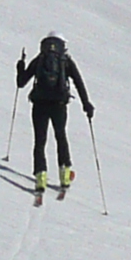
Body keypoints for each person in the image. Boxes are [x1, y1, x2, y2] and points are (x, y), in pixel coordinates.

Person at [15, 32, 93, 195]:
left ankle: (40, 177)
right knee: (61, 136)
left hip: (39, 104)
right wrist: (86, 105)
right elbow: (79, 82)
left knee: (40, 141)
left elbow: (21, 83)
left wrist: (20, 67)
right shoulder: (65, 61)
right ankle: (64, 175)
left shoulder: (40, 59)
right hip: (59, 104)